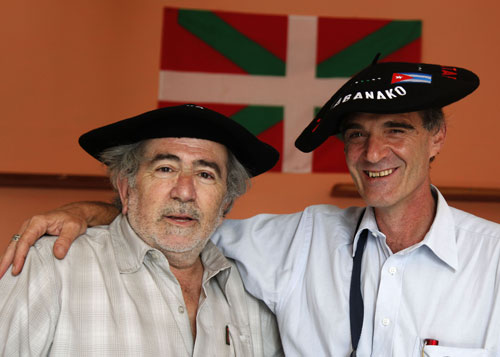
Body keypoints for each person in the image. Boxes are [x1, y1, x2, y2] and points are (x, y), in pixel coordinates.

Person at [3, 60, 500, 356]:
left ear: (436, 138)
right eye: (356, 135)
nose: (373, 153)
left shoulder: (494, 262)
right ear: (125, 182)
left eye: (397, 129)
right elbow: (176, 229)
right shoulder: (295, 244)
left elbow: (186, 227)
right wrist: (87, 212)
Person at [0, 104, 283, 356]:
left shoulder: (253, 289)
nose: (184, 192)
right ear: (126, 189)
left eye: (205, 175)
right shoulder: (50, 265)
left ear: (226, 203)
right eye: (165, 169)